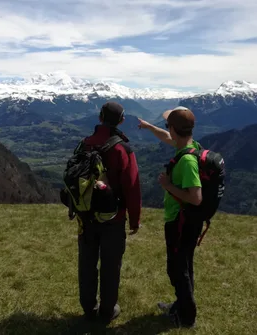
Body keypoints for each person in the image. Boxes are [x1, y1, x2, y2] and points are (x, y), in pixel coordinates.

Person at [138, 106, 203, 328]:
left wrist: (167, 185)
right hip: (186, 221)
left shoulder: (187, 161)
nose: (167, 130)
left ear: (174, 128)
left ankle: (186, 317)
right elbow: (168, 138)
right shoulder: (191, 147)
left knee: (177, 269)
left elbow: (195, 197)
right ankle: (183, 305)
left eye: (168, 126)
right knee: (184, 266)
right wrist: (149, 127)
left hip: (180, 222)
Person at [78, 101, 142, 323]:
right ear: (122, 120)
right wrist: (134, 219)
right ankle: (107, 311)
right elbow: (132, 187)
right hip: (113, 218)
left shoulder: (85, 144)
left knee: (87, 262)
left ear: (99, 118)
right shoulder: (122, 148)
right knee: (110, 265)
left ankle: (88, 307)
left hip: (86, 216)